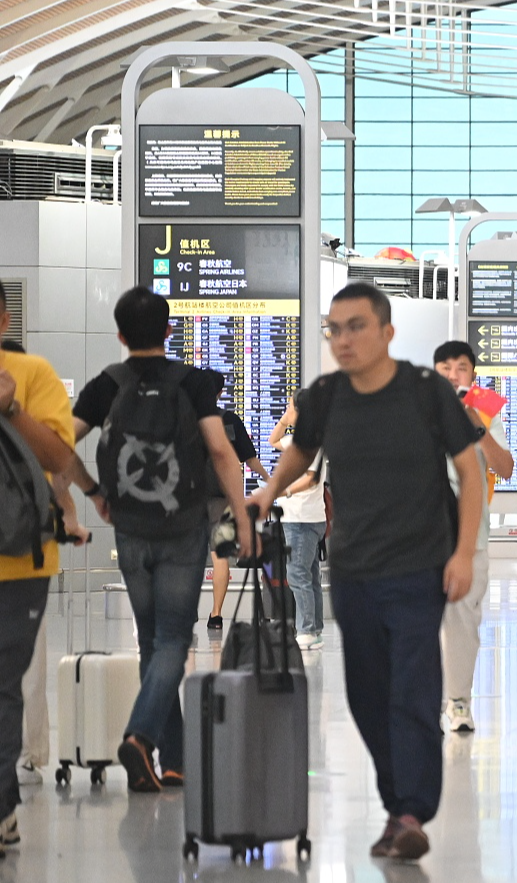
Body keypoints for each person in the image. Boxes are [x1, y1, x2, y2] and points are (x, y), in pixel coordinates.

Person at [251, 282, 485, 862]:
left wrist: (461, 554)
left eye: (356, 326)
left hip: (418, 565)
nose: (344, 338)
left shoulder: (426, 391)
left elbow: (471, 474)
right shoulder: (326, 395)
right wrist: (268, 491)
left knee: (412, 687)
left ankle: (410, 811)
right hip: (353, 567)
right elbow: (301, 451)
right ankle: (396, 803)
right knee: (365, 695)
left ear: (387, 332)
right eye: (334, 328)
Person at [71, 288, 253, 792]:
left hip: (130, 528)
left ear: (121, 336)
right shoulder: (192, 382)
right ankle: (141, 734)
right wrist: (240, 516)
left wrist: (93, 492)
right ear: (169, 332)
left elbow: (61, 442)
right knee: (174, 638)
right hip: (183, 527)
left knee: (153, 640)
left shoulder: (108, 383)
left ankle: (174, 760)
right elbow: (220, 450)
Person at [0, 302, 97, 850]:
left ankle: (3, 803)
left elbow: (60, 458)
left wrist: (11, 408)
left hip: (19, 561)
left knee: (6, 683)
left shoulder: (32, 376)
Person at [431, 340, 517, 734]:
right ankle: (426, 699)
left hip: (471, 536)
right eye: (445, 367)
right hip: (421, 534)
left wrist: (477, 426)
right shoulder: (417, 409)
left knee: (463, 620)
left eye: (461, 367)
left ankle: (459, 700)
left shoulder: (484, 411)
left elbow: (505, 467)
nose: (453, 374)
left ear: (473, 375)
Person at [205, 389, 269, 632]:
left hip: (191, 499)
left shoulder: (188, 419)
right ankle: (216, 615)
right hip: (224, 500)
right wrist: (269, 480)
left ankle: (186, 613)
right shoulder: (230, 420)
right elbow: (250, 459)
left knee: (185, 558)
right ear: (219, 393)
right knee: (220, 557)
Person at [268, 397, 328, 650]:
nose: (286, 410)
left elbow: (312, 479)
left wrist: (285, 491)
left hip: (302, 519)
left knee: (298, 574)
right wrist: (285, 420)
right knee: (310, 575)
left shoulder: (309, 441)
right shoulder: (301, 440)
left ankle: (306, 630)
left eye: (290, 406)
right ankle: (313, 629)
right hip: (308, 518)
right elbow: (272, 440)